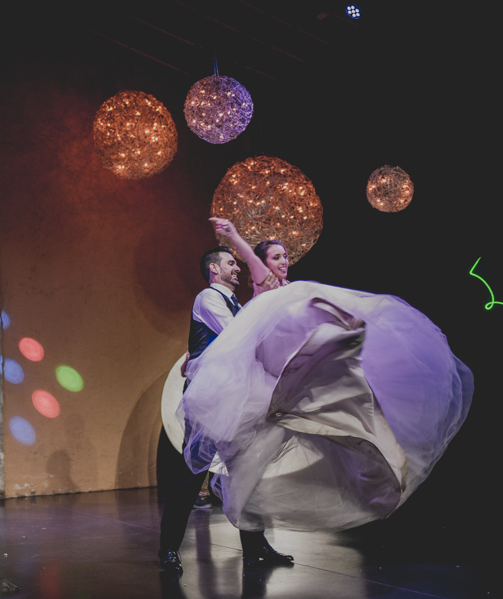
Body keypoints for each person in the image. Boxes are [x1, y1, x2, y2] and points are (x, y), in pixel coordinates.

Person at [180, 218, 473, 534]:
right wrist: (233, 235)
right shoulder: (263, 287)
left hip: (293, 369)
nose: (283, 261)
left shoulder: (289, 292)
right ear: (260, 266)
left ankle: (369, 477)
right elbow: (248, 278)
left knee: (335, 418)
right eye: (275, 257)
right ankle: (225, 512)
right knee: (251, 448)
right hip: (278, 375)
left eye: (285, 256)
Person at [158, 245, 293, 573]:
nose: (237, 269)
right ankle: (168, 548)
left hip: (233, 399)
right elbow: (238, 334)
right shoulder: (208, 297)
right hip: (209, 400)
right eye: (230, 263)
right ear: (214, 270)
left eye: (237, 264)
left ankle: (254, 547)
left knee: (246, 472)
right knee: (192, 476)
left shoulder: (234, 304)